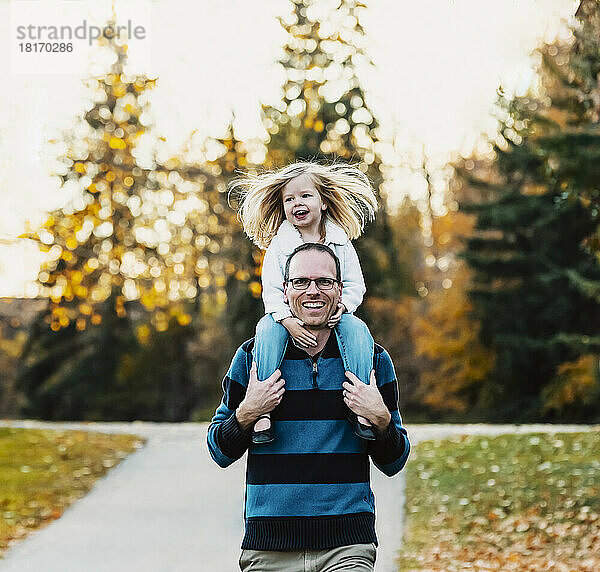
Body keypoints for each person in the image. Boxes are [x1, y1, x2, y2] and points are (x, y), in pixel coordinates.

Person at [207, 243, 410, 572]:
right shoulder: (253, 358)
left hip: (347, 545)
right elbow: (219, 450)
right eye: (301, 282)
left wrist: (381, 419)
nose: (312, 291)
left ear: (340, 290)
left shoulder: (371, 360)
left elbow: (395, 461)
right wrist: (248, 411)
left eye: (324, 282)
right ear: (284, 292)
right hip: (270, 549)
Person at [229, 160, 379, 444]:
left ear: (323, 202)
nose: (297, 202)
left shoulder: (340, 241)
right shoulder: (280, 245)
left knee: (357, 329)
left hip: (334, 315)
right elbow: (271, 292)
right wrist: (288, 322)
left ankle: (360, 406)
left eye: (305, 195)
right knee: (266, 329)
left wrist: (342, 307)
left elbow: (356, 284)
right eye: (289, 199)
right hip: (287, 318)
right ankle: (263, 409)